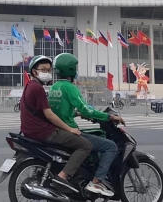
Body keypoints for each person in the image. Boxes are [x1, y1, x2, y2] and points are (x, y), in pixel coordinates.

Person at [48, 53, 123, 198]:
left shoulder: (54, 87)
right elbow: (86, 109)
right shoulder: (70, 87)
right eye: (75, 68)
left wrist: (76, 113)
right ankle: (97, 181)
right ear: (70, 69)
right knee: (110, 146)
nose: (77, 71)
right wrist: (109, 117)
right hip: (68, 130)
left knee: (95, 134)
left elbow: (61, 110)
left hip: (58, 129)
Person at [19, 55, 93, 196]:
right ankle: (62, 177)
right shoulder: (38, 89)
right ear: (34, 71)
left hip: (31, 131)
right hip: (43, 132)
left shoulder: (30, 86)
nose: (47, 73)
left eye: (48, 70)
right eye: (43, 70)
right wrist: (70, 129)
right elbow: (49, 115)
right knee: (85, 145)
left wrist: (76, 114)